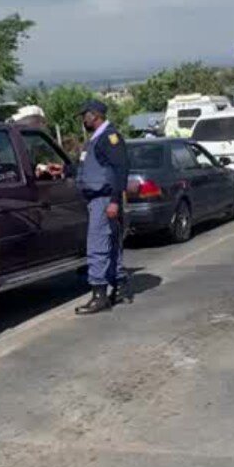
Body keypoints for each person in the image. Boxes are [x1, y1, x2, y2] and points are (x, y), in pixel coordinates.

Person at [75, 99, 130, 314]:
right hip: (100, 199)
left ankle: (99, 295)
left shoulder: (109, 137)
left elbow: (120, 169)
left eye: (84, 115)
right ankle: (120, 286)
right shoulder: (96, 139)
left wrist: (115, 200)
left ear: (94, 115)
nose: (83, 120)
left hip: (105, 199)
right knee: (111, 244)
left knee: (96, 246)